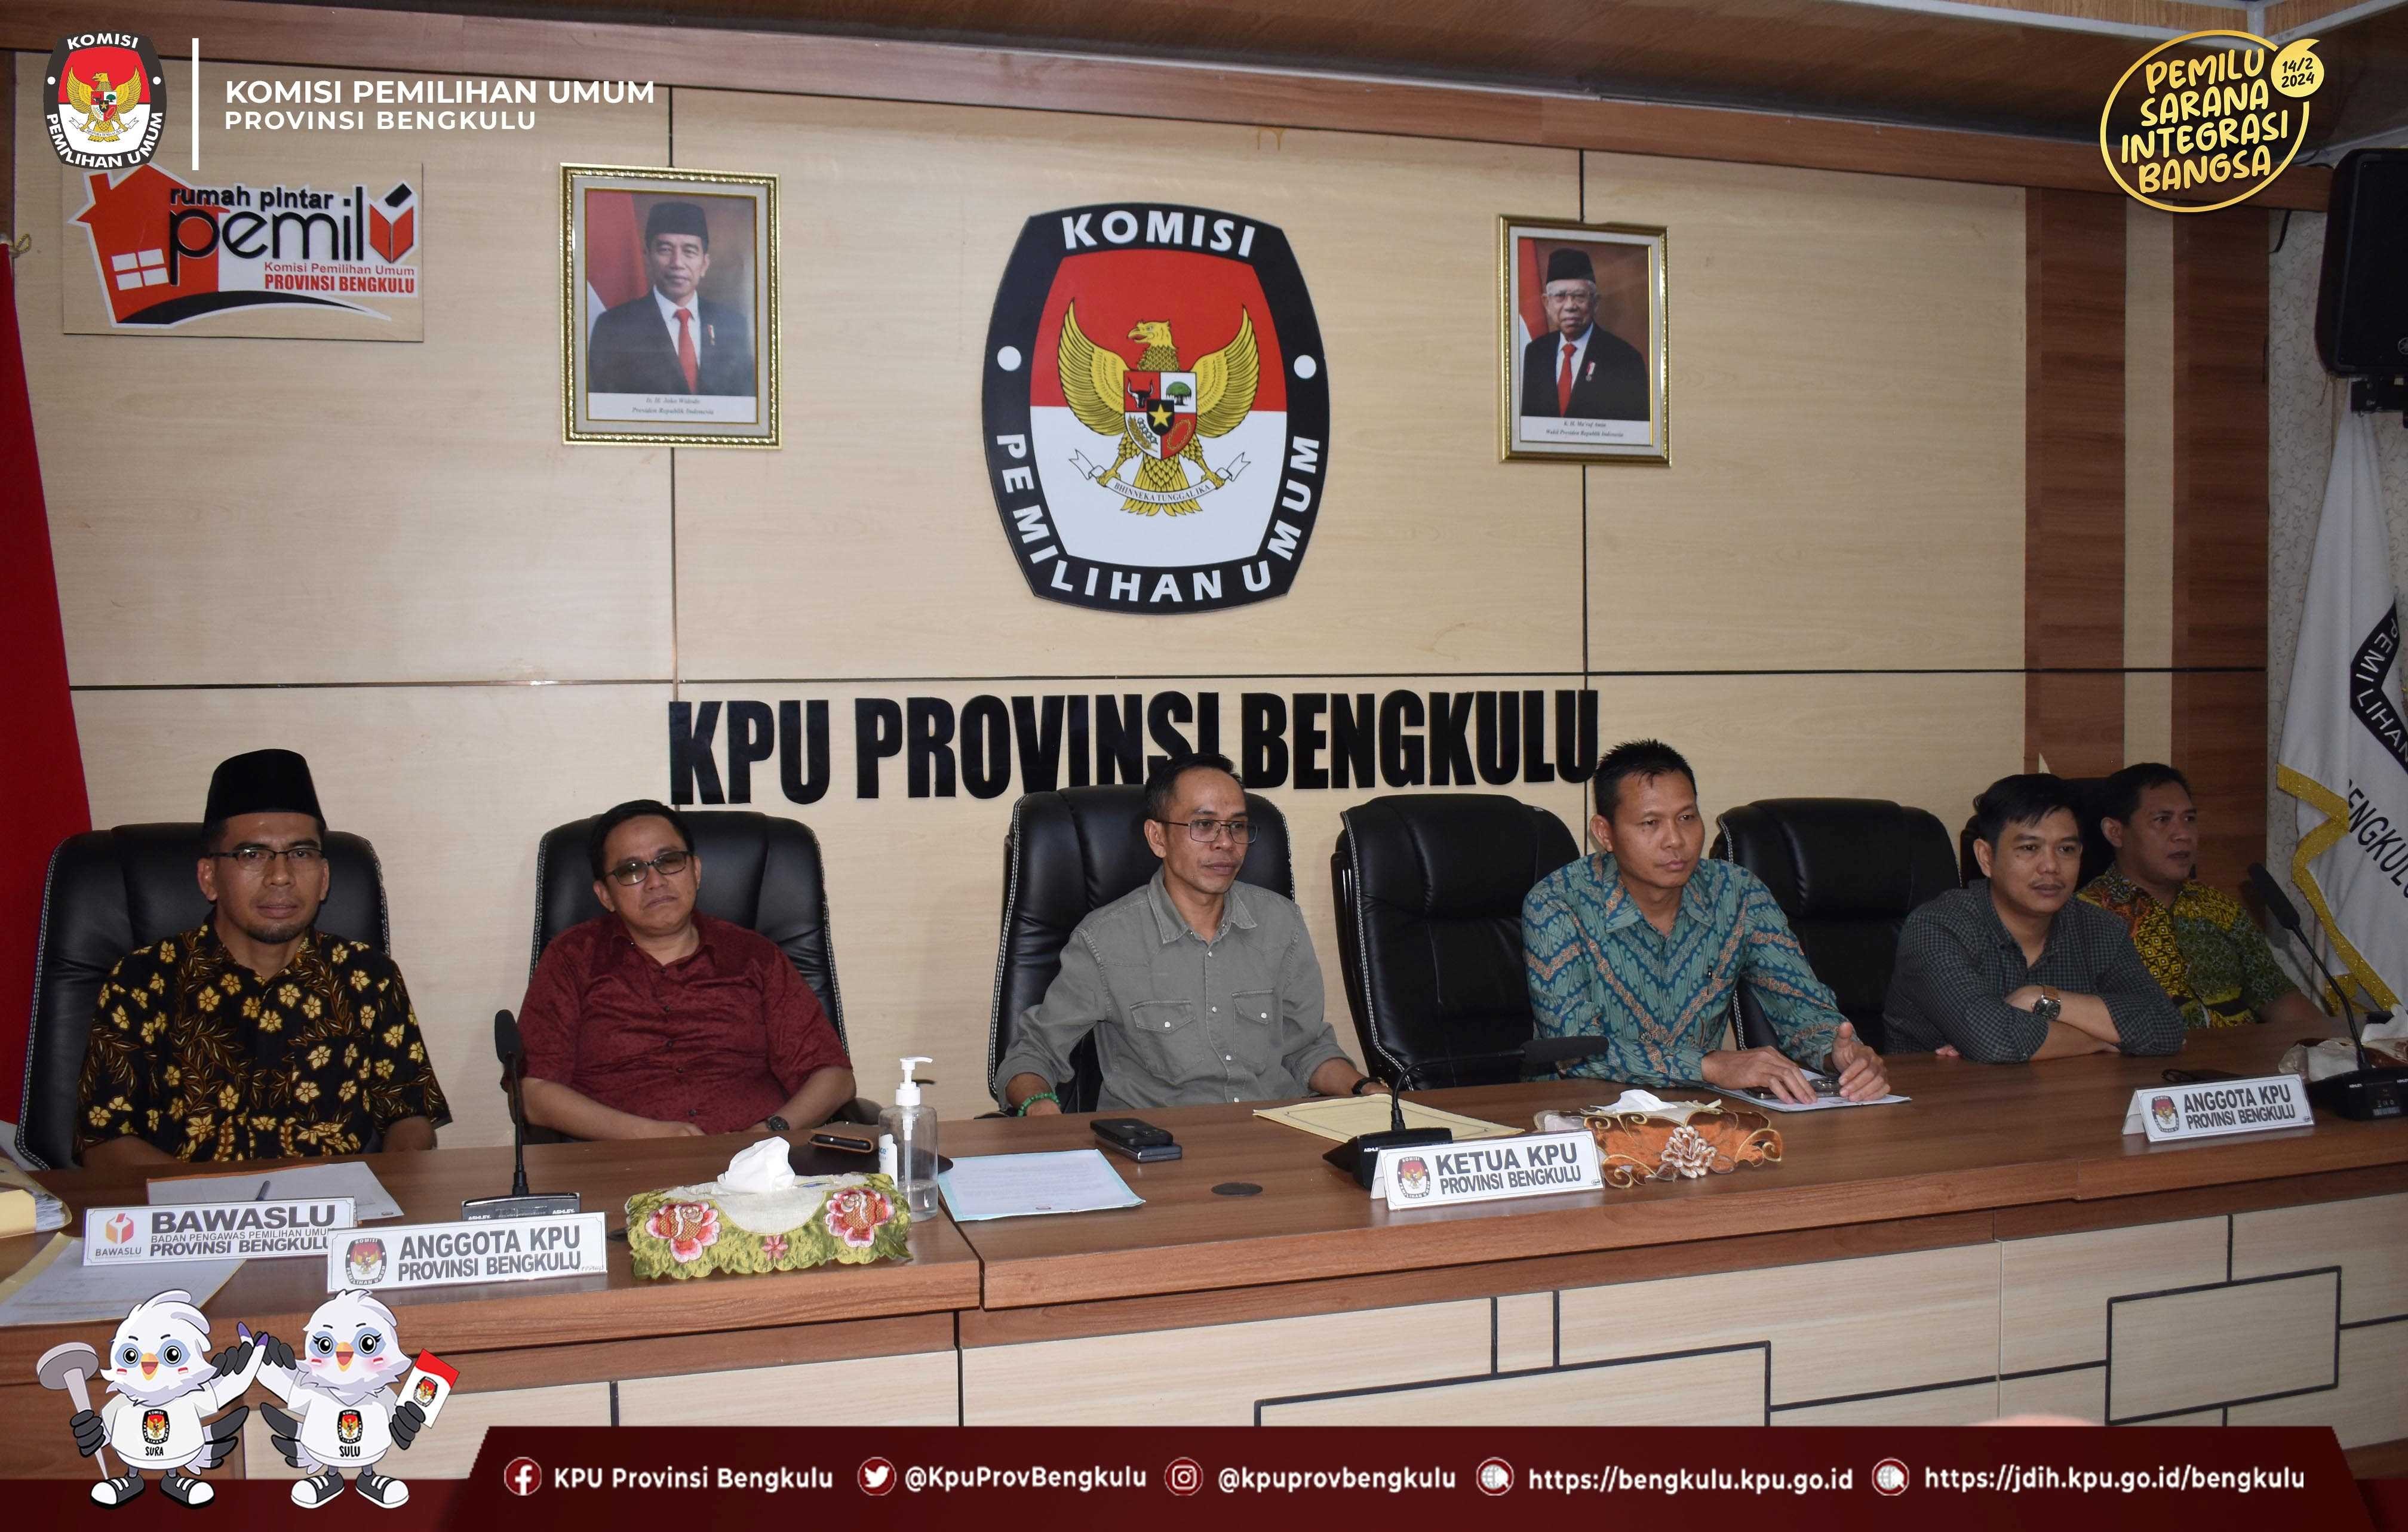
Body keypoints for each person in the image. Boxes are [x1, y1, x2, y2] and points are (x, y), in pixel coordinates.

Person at [75, 750, 449, 1168]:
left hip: (337, 1204)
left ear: (324, 878)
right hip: (187, 1205)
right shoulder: (143, 980)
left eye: (301, 854)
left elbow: (410, 1115)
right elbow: (104, 1142)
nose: (281, 876)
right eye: (252, 855)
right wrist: (212, 1199)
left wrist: (396, 1173)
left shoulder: (368, 977)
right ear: (209, 877)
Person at [995, 752, 1384, 1114]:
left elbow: (1307, 1049)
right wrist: (1041, 1108)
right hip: (1159, 1143)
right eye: (1204, 825)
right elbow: (1032, 1055)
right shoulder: (1105, 941)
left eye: (1237, 826)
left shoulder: (1282, 923)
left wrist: (1365, 1089)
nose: (1225, 843)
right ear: (1158, 837)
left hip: (1272, 1134)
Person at [1522, 739, 1889, 1103]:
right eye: (1650, 823)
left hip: (1701, 1113)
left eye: (1687, 818)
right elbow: (1573, 1050)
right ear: (1605, 833)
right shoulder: (1557, 904)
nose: (1675, 840)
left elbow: (1800, 1006)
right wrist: (1707, 1066)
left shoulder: (1737, 894)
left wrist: (1838, 1054)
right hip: (1579, 1113)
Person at [517, 800, 855, 1139]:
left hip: (755, 1160)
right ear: (605, 895)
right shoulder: (572, 958)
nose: (655, 882)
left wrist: (768, 1133)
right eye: (631, 870)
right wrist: (649, 1136)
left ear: (695, 870)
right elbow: (534, 1093)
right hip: (624, 1160)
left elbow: (834, 1077)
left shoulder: (754, 956)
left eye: (669, 861)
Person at [1885, 773, 2185, 1061]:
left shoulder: (2100, 928)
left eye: (2066, 849)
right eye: (2030, 848)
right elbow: (1995, 1041)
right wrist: (2105, 1038)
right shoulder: (1937, 927)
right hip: (1947, 1093)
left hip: (2067, 1092)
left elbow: (2168, 1029)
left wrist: (2040, 999)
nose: (2051, 866)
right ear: (1986, 857)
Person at [2080, 764, 2326, 1030]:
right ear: (2115, 832)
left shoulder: (2221, 910)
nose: (2183, 835)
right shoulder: (2084, 918)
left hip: (2243, 1053)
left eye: (2189, 819)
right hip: (2152, 1054)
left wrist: (2336, 1045)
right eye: (2162, 820)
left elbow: (2278, 997)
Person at [585, 200, 756, 397]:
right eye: (665, 250)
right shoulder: (613, 327)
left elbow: (746, 402)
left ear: (704, 264)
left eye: (689, 252)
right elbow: (603, 405)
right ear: (648, 258)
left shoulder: (733, 325)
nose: (677, 263)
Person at [1516, 245, 1650, 422]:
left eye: (1579, 296)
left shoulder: (1626, 360)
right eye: (1560, 296)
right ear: (1547, 303)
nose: (1570, 306)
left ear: (1595, 303)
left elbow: (1634, 431)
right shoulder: (1535, 353)